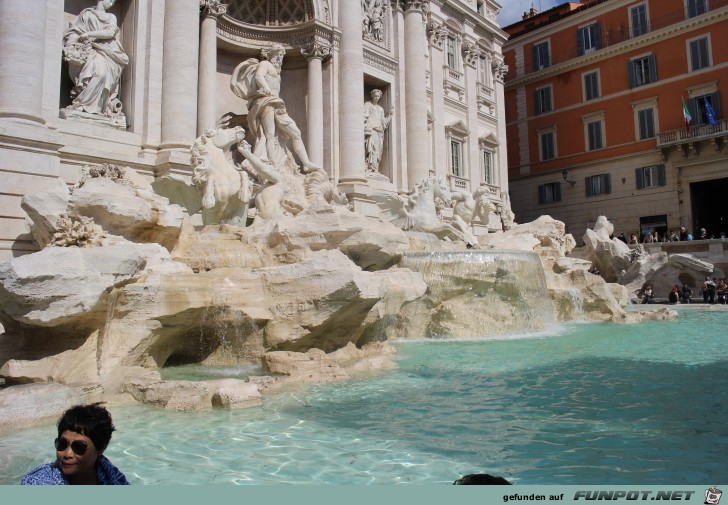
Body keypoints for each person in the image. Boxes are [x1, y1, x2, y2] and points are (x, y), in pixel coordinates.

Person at [230, 44, 321, 173]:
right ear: (271, 54)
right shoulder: (265, 64)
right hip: (266, 102)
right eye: (278, 54)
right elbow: (258, 76)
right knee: (270, 134)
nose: (280, 58)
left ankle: (306, 163)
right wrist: (265, 86)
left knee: (295, 132)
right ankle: (272, 164)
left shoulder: (277, 71)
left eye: (281, 55)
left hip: (277, 104)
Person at [21, 403, 128, 485]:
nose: (67, 454)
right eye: (62, 444)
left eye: (79, 447)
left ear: (100, 449)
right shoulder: (36, 482)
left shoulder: (113, 478)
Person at [63, 0, 129, 117]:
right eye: (110, 0)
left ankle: (95, 107)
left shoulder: (111, 16)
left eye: (114, 2)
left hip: (106, 51)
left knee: (102, 74)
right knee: (94, 73)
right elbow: (75, 31)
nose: (111, 4)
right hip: (88, 50)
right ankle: (82, 105)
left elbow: (110, 32)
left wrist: (89, 34)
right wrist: (71, 46)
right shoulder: (86, 14)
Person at [364, 89, 394, 174]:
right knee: (371, 148)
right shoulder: (367, 104)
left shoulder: (381, 109)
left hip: (379, 132)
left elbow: (383, 122)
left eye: (378, 96)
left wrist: (391, 115)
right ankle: (369, 167)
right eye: (375, 96)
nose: (376, 98)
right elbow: (363, 116)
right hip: (372, 130)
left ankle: (375, 168)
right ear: (372, 96)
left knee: (377, 150)